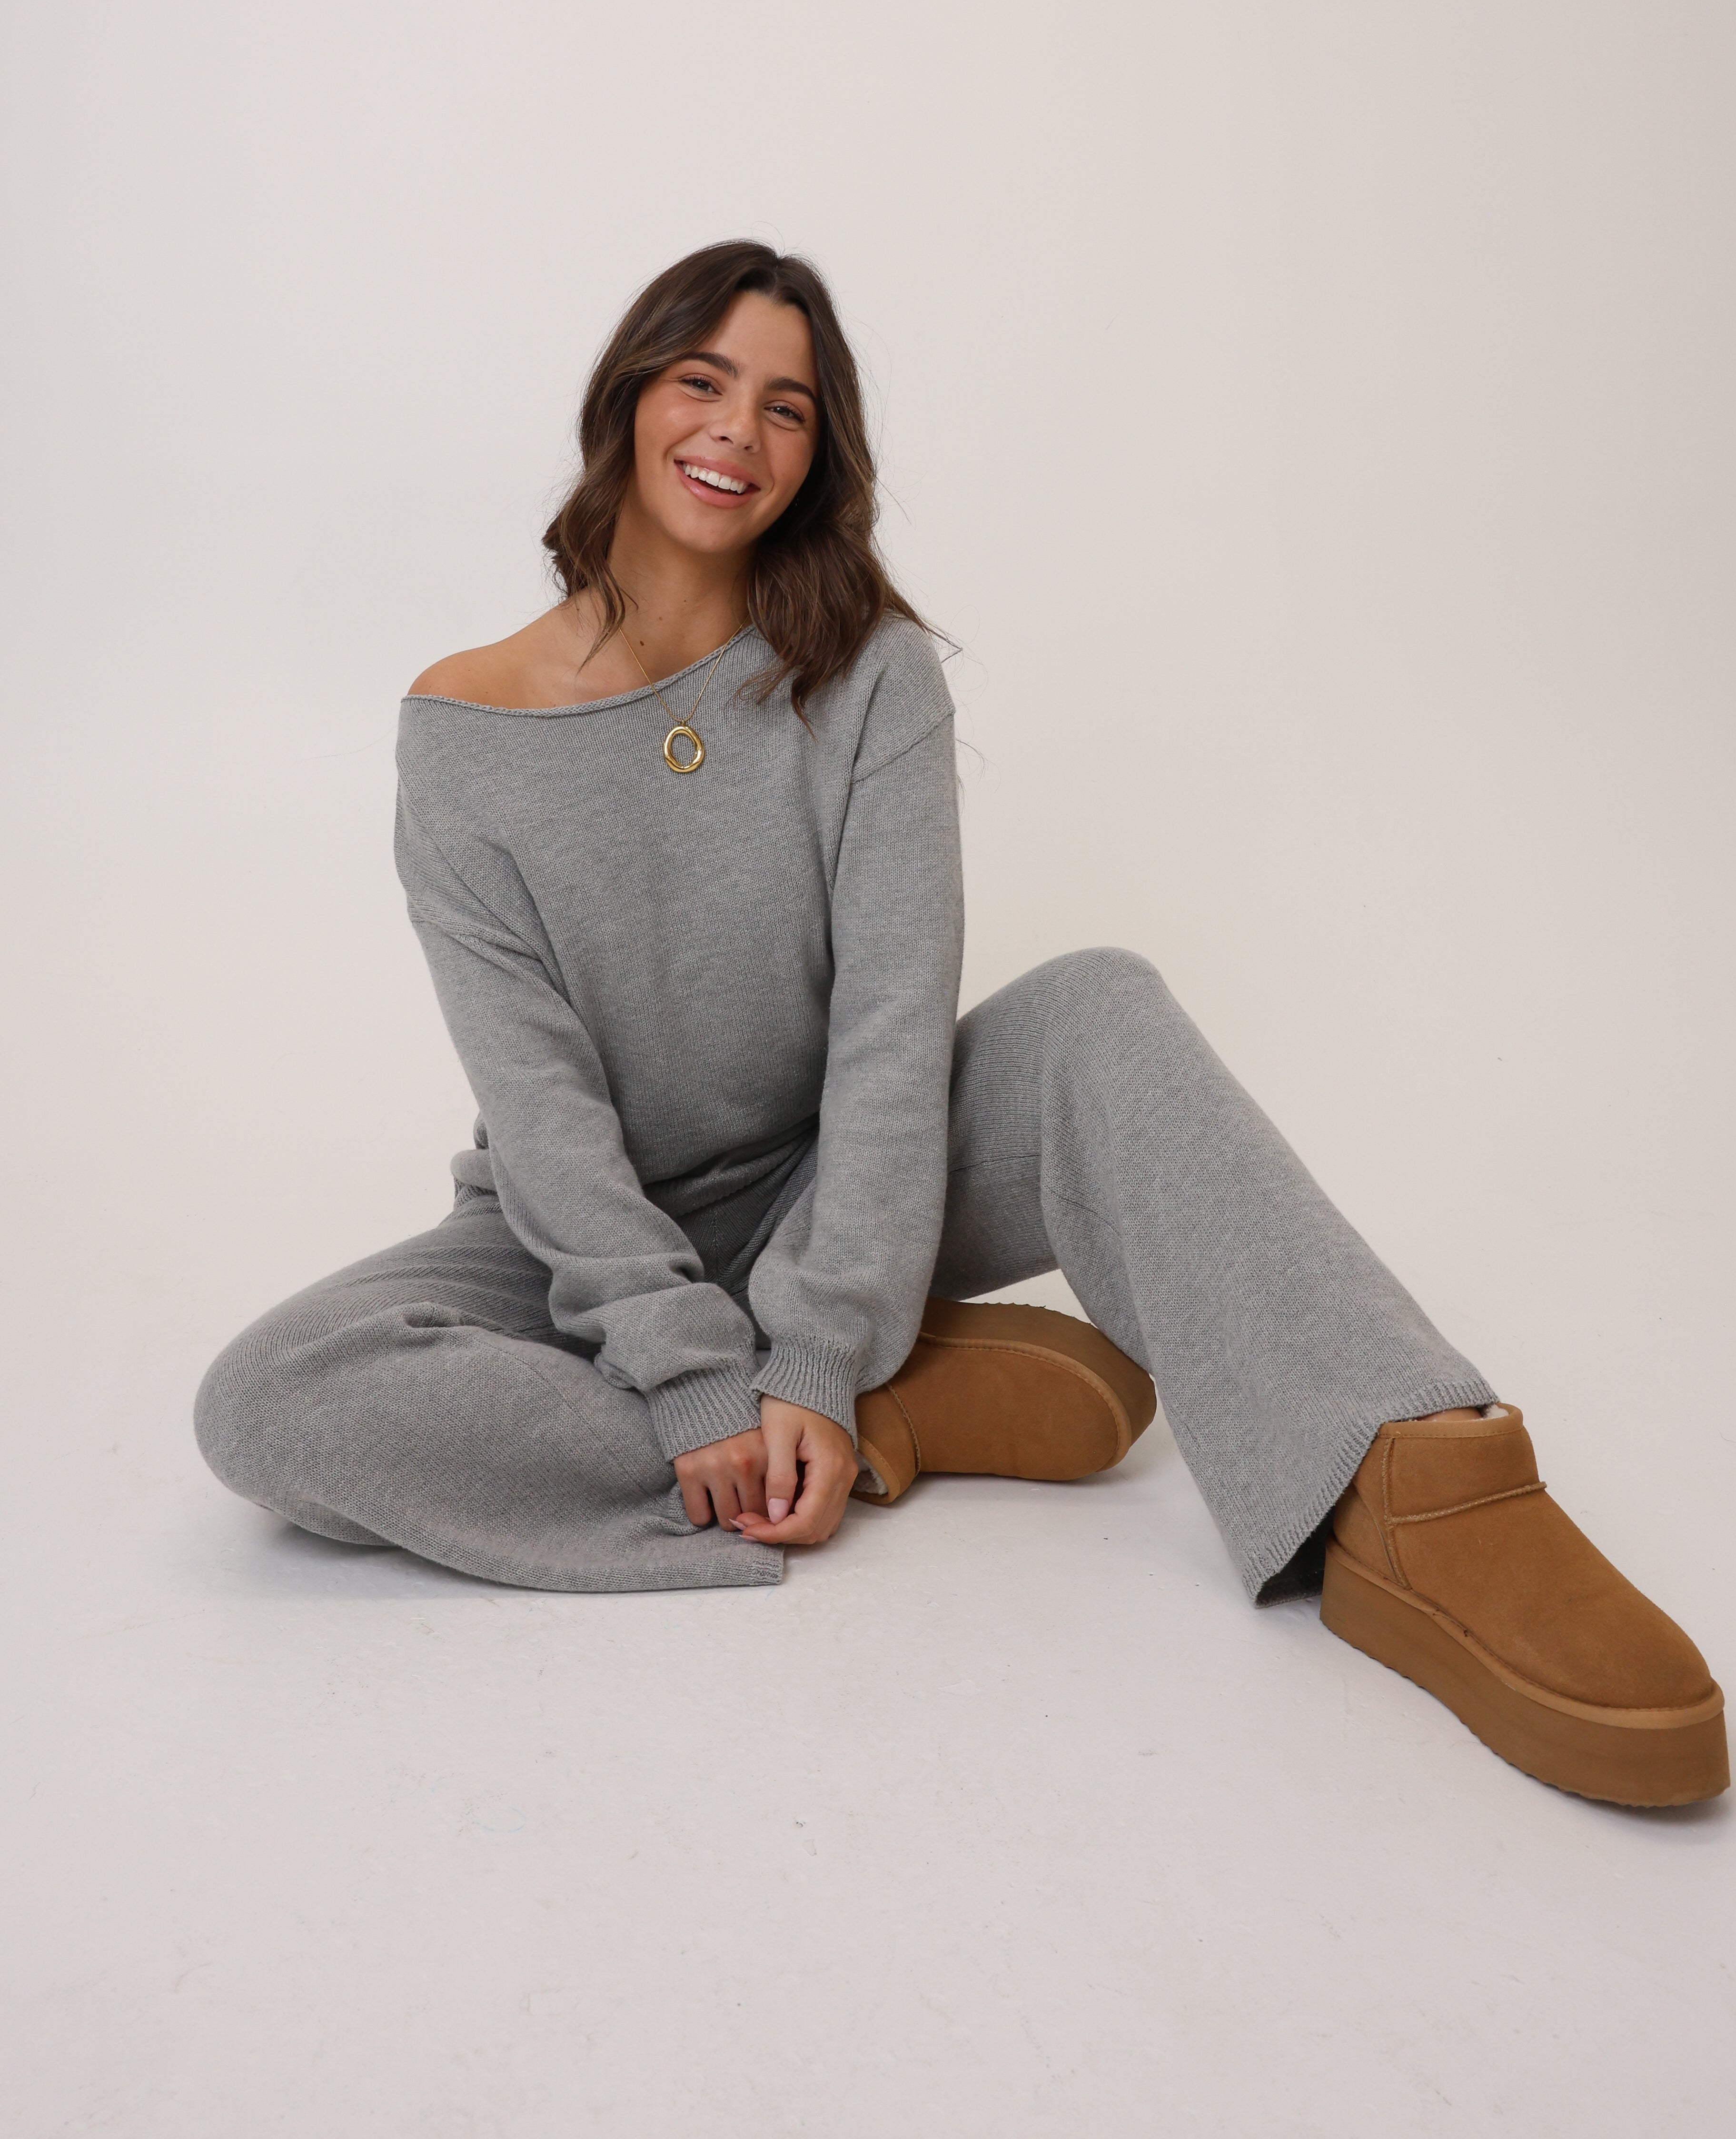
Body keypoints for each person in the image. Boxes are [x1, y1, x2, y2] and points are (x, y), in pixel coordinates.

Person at [195, 241, 1726, 1808]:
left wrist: (817, 1330)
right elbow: (539, 1105)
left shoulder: (870, 681)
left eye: (787, 407)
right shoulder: (463, 732)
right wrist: (703, 1375)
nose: (737, 431)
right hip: (575, 1233)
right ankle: (874, 1418)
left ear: (820, 453)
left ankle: (1410, 1475)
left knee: (1097, 1012)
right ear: (631, 399)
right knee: (268, 1398)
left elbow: (888, 1036)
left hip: (850, 1193)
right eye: (702, 381)